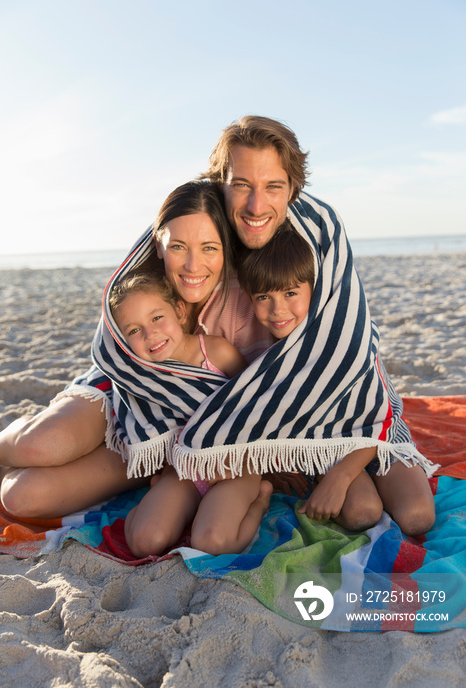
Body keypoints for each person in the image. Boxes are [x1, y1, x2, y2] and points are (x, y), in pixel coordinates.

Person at [1, 116, 435, 541]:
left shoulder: (306, 247)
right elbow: (127, 305)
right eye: (241, 185)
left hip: (210, 427)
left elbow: (339, 350)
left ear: (293, 189)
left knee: (22, 497)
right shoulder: (198, 222)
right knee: (43, 448)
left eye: (273, 187)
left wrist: (258, 450)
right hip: (146, 391)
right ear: (219, 184)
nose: (255, 206)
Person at [237, 223, 435, 534]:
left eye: (291, 293)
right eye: (264, 297)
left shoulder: (348, 334)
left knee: (418, 517)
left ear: (314, 290)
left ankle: (352, 478)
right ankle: (337, 480)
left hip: (378, 438)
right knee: (362, 513)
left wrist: (341, 478)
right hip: (325, 443)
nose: (278, 309)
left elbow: (379, 418)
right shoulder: (266, 350)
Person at [108, 268, 268, 557]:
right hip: (183, 470)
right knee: (144, 542)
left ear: (180, 312)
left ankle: (260, 500)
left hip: (234, 467)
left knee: (211, 543)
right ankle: (166, 504)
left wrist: (242, 459)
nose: (150, 333)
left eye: (157, 317)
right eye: (133, 330)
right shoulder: (141, 378)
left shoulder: (216, 353)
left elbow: (254, 402)